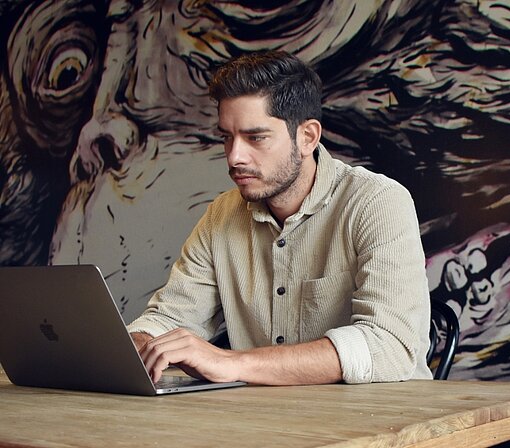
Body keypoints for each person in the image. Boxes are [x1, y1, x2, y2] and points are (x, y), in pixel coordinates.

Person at [127, 50, 433, 385]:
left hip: (384, 425)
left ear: (307, 137)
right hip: (267, 422)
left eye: (255, 137)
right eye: (226, 137)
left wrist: (232, 363)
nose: (234, 156)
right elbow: (170, 317)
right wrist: (139, 343)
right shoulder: (220, 216)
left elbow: (388, 346)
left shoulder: (377, 202)